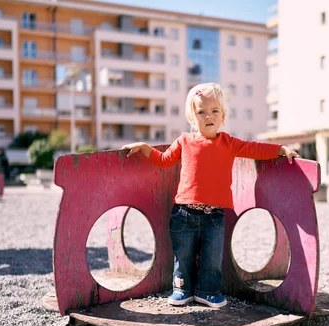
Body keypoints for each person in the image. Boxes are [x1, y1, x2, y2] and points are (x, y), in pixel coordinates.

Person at [121, 82, 299, 308]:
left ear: (223, 115)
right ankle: (182, 289)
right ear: (192, 117)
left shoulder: (229, 143)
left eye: (214, 111)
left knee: (212, 259)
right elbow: (163, 160)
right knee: (183, 256)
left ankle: (207, 291)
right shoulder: (185, 141)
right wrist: (145, 147)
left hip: (214, 216)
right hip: (183, 214)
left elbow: (254, 148)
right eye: (201, 112)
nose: (208, 116)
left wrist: (280, 149)